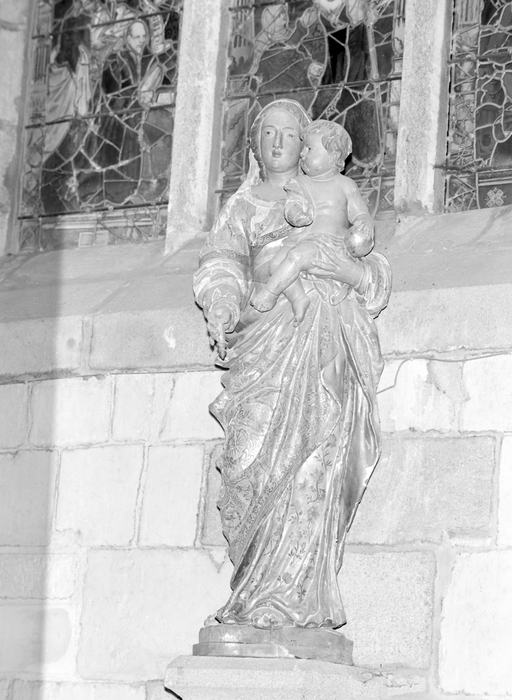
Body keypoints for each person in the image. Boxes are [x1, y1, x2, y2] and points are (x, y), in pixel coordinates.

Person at [194, 99, 391, 632]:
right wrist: (222, 302)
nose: (279, 142)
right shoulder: (244, 207)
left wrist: (346, 270)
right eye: (268, 133)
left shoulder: (334, 196)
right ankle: (253, 591)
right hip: (263, 346)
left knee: (312, 466)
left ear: (308, 143)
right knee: (249, 460)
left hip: (323, 340)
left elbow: (371, 268)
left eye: (289, 133)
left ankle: (296, 601)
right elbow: (220, 263)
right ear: (255, 146)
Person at [251, 119, 374, 325]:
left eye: (309, 148)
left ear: (333, 155)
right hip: (300, 239)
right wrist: (297, 215)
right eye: (303, 149)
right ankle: (299, 298)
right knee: (275, 265)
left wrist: (365, 221)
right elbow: (291, 207)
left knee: (297, 256)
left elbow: (359, 212)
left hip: (329, 244)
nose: (302, 154)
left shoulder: (345, 185)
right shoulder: (299, 183)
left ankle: (270, 293)